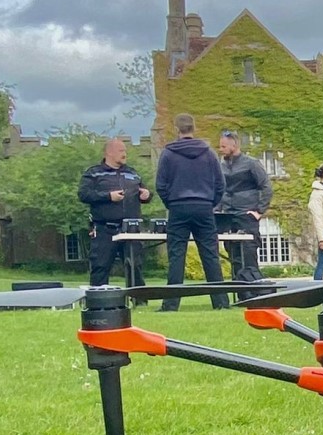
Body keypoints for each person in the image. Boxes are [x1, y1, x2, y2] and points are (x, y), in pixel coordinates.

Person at [155, 114, 229, 311]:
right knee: (211, 255)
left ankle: (171, 304)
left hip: (178, 206)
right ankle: (220, 302)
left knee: (176, 255)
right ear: (193, 128)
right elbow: (220, 184)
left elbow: (160, 185)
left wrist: (171, 203)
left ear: (176, 129)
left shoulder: (168, 154)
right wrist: (210, 202)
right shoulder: (209, 153)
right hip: (204, 205)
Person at [77, 138, 152, 286]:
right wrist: (108, 197)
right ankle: (98, 302)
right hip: (105, 228)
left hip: (131, 229)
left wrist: (147, 195)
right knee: (100, 266)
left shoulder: (132, 173)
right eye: (121, 151)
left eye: (125, 150)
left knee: (134, 266)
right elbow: (84, 195)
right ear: (109, 153)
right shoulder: (94, 173)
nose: (125, 154)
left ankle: (139, 301)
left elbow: (144, 192)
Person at [216, 130, 272, 283]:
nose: (220, 149)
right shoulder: (221, 166)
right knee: (233, 253)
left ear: (233, 146)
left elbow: (266, 187)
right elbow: (219, 189)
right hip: (228, 215)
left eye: (223, 146)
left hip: (246, 215)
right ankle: (238, 287)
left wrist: (259, 211)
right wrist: (217, 210)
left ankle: (253, 289)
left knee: (249, 253)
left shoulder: (251, 164)